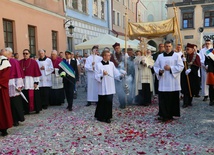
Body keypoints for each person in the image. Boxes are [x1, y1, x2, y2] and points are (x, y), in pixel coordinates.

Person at [153, 41, 184, 122]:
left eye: (169, 46)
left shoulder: (176, 56)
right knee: (163, 99)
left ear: (172, 46)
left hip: (172, 81)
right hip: (163, 81)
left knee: (171, 98)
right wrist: (159, 71)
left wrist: (171, 68)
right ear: (164, 47)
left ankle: (171, 114)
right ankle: (163, 115)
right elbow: (155, 67)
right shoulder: (160, 56)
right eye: (166, 46)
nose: (167, 48)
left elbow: (181, 66)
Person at [94, 48, 124, 123]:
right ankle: (100, 116)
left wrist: (120, 75)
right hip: (102, 86)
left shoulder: (111, 64)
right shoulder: (98, 65)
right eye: (108, 55)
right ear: (104, 56)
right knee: (102, 101)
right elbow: (96, 76)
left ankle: (108, 117)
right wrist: (102, 74)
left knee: (109, 101)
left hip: (110, 85)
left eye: (110, 55)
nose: (110, 56)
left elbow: (115, 72)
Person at [3, 48, 25, 126]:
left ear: (10, 54)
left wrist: (19, 85)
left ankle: (16, 120)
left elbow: (18, 73)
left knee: (15, 102)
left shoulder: (14, 62)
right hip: (5, 84)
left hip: (13, 83)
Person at [19, 49, 42, 114]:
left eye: (26, 53)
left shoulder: (34, 62)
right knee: (25, 94)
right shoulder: (20, 62)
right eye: (24, 53)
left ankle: (36, 108)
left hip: (31, 81)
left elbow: (36, 73)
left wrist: (36, 82)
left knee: (34, 95)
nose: (25, 55)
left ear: (29, 54)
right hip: (24, 81)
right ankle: (26, 110)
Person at [181, 43, 201, 108]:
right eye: (186, 49)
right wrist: (182, 60)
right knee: (185, 88)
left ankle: (189, 101)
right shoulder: (184, 56)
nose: (187, 50)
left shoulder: (196, 56)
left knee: (191, 89)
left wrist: (191, 70)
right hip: (185, 74)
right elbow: (180, 64)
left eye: (188, 49)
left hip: (192, 75)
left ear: (192, 49)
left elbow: (197, 65)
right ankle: (185, 102)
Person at [0, 53, 13, 136]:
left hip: (1, 88)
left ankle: (4, 128)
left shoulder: (3, 61)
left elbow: (5, 75)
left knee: (2, 108)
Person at [110, 42, 126, 109]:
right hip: (116, 74)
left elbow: (127, 63)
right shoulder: (112, 56)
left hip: (124, 73)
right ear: (114, 49)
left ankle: (125, 102)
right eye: (116, 48)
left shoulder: (124, 55)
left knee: (124, 88)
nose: (117, 49)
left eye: (118, 48)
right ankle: (121, 103)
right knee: (119, 89)